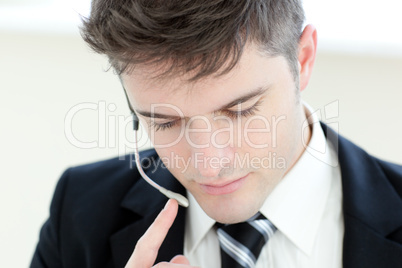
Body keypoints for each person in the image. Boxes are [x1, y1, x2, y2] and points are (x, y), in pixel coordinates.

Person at [31, 1, 402, 267]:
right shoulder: (79, 213)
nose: (209, 165)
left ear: (302, 59)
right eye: (165, 122)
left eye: (240, 111)